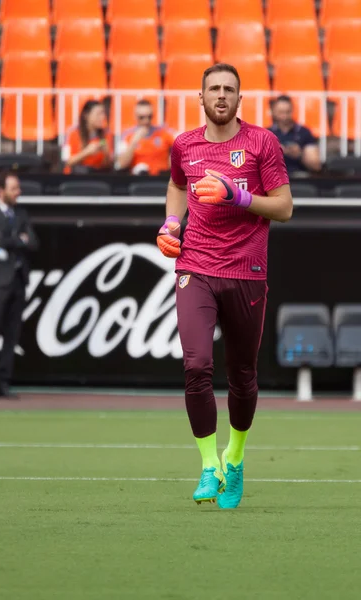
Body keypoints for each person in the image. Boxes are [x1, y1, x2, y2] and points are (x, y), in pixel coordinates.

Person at [156, 63, 292, 510]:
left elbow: (285, 208)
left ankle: (235, 458)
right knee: (196, 365)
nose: (220, 95)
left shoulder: (261, 143)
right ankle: (209, 466)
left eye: (228, 89)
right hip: (195, 266)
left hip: (246, 272)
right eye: (212, 88)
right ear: (200, 97)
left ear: (239, 98)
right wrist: (173, 223)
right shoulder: (184, 144)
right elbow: (178, 185)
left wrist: (239, 196)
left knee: (242, 376)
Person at [0, 171, 38, 401]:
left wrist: (15, 240)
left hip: (17, 280)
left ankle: (3, 382)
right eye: (14, 189)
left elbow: (33, 242)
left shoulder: (21, 213)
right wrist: (18, 238)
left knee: (11, 337)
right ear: (0, 190)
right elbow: (0, 238)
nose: (18, 193)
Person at [115, 99, 175, 175]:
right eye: (142, 117)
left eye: (149, 117)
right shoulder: (126, 135)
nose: (146, 121)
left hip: (161, 179)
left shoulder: (164, 133)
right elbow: (121, 164)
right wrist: (133, 142)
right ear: (135, 116)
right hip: (138, 180)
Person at [269, 95, 321, 174]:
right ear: (274, 112)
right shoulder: (266, 133)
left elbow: (316, 166)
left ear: (292, 111)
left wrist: (300, 154)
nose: (284, 116)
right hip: (274, 177)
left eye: (287, 112)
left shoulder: (304, 132)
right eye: (281, 112)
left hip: (299, 177)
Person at [62, 100, 113, 174]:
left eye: (103, 114)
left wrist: (106, 153)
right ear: (86, 115)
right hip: (76, 176)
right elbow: (66, 162)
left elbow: (108, 164)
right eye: (98, 114)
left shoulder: (106, 134)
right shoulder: (72, 133)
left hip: (98, 176)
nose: (102, 117)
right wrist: (86, 152)